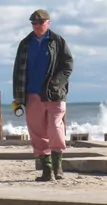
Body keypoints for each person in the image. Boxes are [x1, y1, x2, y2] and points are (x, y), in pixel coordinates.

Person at [12, 9, 74, 182]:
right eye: (34, 23)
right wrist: (17, 96)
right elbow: (18, 70)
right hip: (31, 93)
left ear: (48, 23)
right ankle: (47, 170)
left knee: (55, 127)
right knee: (37, 133)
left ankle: (58, 166)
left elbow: (68, 65)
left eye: (40, 23)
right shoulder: (25, 43)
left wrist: (56, 83)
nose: (37, 26)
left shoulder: (57, 41)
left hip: (55, 94)